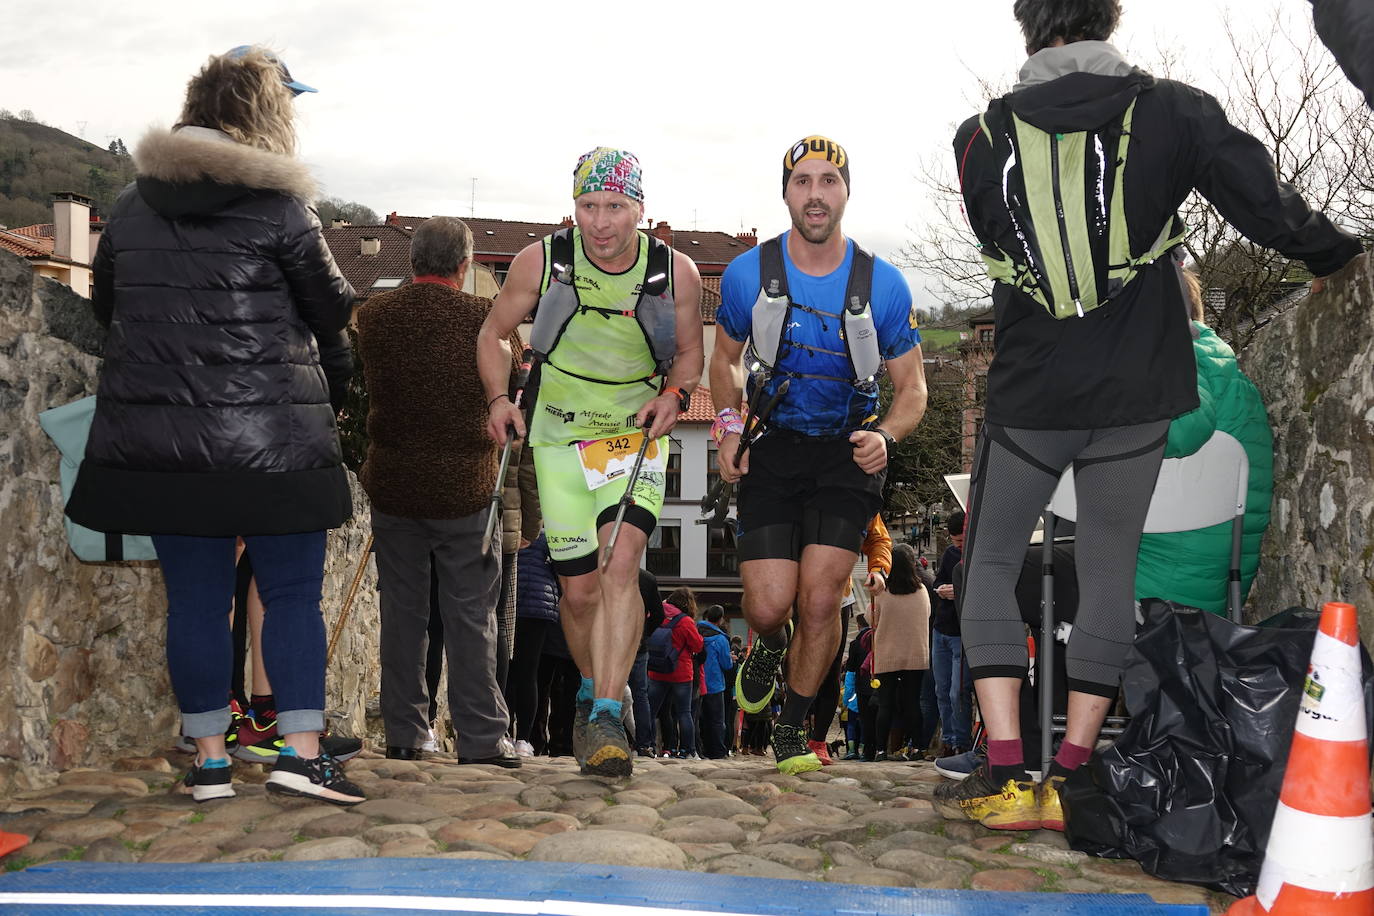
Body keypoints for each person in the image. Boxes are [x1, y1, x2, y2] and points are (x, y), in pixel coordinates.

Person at [936, 0, 1364, 832]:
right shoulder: (1173, 110)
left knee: (988, 568)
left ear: (1029, 26)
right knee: (1109, 571)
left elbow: (1000, 239)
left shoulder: (978, 139)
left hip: (1031, 394)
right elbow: (1260, 198)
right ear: (1110, 18)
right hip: (1137, 390)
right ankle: (1069, 776)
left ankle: (1003, 773)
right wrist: (1332, 255)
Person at [66, 46, 364, 805]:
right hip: (273, 445)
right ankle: (299, 755)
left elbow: (109, 310)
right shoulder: (283, 208)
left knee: (195, 602)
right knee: (292, 593)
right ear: (266, 118)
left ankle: (207, 762)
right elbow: (333, 309)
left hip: (163, 450)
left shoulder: (131, 208)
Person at [477, 148, 704, 777]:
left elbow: (689, 355)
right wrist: (499, 397)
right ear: (573, 206)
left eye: (616, 206)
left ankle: (606, 713)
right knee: (577, 592)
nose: (601, 222)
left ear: (640, 209)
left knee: (621, 562)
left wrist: (675, 396)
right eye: (588, 206)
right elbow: (494, 333)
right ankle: (589, 690)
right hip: (558, 438)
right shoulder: (542, 260)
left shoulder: (673, 272)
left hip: (631, 435)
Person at [712, 135, 927, 774]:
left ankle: (792, 727)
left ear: (845, 192)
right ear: (785, 193)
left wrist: (885, 436)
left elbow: (912, 387)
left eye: (827, 181)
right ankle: (768, 644)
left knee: (822, 595)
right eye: (802, 182)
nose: (815, 194)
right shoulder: (751, 272)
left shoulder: (882, 285)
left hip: (847, 454)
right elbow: (723, 359)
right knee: (770, 604)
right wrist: (728, 427)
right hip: (773, 446)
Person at [356, 216, 519, 768]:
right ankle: (479, 738)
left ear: (412, 260)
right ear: (465, 264)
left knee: (402, 614)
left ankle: (406, 731)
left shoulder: (374, 317)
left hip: (395, 484)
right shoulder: (482, 320)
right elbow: (510, 375)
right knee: (471, 616)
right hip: (465, 488)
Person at [1134, 264, 1274, 615]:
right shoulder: (1225, 370)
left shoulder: (1180, 357)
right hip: (1216, 585)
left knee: (1018, 572)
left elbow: (1185, 426)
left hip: (1158, 585)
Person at [869, 544, 930, 761]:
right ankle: (918, 747)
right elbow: (928, 615)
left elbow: (870, 618)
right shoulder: (922, 591)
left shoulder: (882, 593)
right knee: (912, 702)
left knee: (885, 704)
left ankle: (880, 750)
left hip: (887, 654)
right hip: (916, 654)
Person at [930, 510, 971, 759]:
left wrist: (959, 590)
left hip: (961, 633)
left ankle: (962, 741)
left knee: (959, 691)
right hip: (941, 628)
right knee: (942, 689)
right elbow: (937, 582)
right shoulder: (950, 555)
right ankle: (948, 740)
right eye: (956, 541)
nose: (959, 546)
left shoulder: (978, 555)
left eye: (962, 541)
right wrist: (941, 590)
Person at [646, 589, 705, 758]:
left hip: (657, 670)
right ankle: (687, 750)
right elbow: (697, 646)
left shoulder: (656, 614)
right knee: (684, 713)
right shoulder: (686, 621)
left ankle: (646, 745)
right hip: (681, 672)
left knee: (650, 710)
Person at [697, 605, 734, 759]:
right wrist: (731, 658)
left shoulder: (696, 631)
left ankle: (701, 749)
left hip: (697, 682)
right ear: (720, 620)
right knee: (717, 720)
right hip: (714, 684)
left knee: (700, 718)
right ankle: (717, 751)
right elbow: (727, 665)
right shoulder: (721, 639)